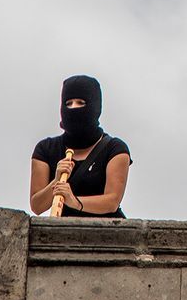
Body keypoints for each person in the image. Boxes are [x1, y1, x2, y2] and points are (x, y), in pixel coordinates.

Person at [30, 75, 131, 218]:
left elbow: (112, 200)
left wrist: (75, 201)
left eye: (80, 103)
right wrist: (56, 181)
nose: (73, 108)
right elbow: (37, 206)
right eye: (68, 103)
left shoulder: (115, 149)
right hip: (62, 234)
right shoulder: (45, 149)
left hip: (106, 233)